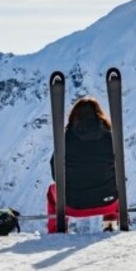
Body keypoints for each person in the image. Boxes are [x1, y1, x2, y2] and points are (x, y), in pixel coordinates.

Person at [48, 96, 119, 233]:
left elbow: (55, 173)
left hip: (71, 205)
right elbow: (117, 170)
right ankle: (110, 225)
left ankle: (56, 230)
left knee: (51, 192)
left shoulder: (65, 139)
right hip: (108, 203)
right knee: (117, 185)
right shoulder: (110, 138)